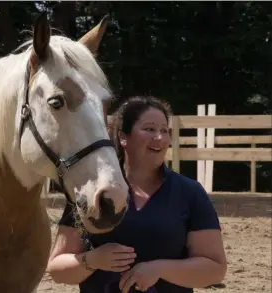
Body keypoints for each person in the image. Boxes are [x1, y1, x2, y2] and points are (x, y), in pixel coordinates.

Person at [46, 96, 227, 293]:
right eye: (149, 129)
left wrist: (159, 269)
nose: (159, 137)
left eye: (164, 131)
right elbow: (57, 269)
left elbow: (215, 269)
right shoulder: (91, 190)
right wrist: (93, 260)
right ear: (123, 137)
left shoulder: (189, 192)